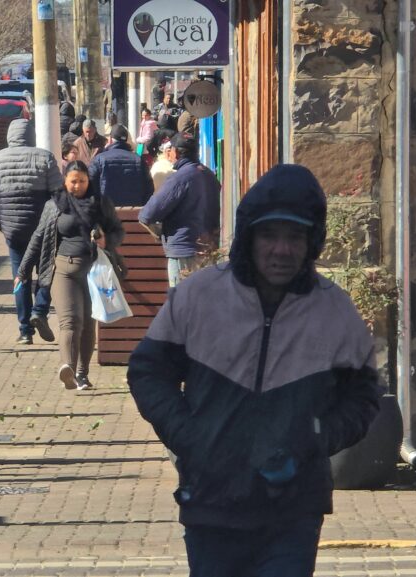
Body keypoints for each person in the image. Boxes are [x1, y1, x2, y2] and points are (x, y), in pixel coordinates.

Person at [127, 164, 382, 577]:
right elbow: (146, 371)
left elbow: (364, 394)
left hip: (293, 506)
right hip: (212, 500)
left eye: (295, 237)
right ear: (249, 236)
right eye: (269, 235)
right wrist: (188, 435)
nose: (281, 249)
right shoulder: (199, 296)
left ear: (311, 241)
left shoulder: (334, 310)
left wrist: (317, 437)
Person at [16, 161, 124, 391]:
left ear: (89, 181)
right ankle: (67, 366)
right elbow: (38, 238)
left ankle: (82, 374)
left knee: (87, 322)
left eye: (82, 181)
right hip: (63, 270)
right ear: (65, 181)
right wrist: (23, 271)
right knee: (70, 321)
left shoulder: (100, 204)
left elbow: (117, 230)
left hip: (92, 270)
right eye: (73, 181)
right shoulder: (54, 205)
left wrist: (107, 240)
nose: (77, 186)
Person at [0, 118, 63, 345]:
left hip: (12, 229)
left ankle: (24, 330)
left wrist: (3, 225)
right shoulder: (45, 157)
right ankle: (39, 310)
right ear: (31, 135)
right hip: (41, 228)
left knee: (20, 275)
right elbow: (58, 195)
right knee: (46, 270)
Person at [139, 133, 221, 287]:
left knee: (182, 306)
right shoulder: (210, 175)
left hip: (184, 253)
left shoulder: (179, 178)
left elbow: (147, 214)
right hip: (209, 250)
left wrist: (158, 232)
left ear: (175, 152)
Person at [88, 125, 154, 207]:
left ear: (111, 139)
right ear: (126, 140)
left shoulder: (99, 159)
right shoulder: (139, 160)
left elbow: (89, 185)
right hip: (133, 213)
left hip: (106, 213)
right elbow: (149, 189)